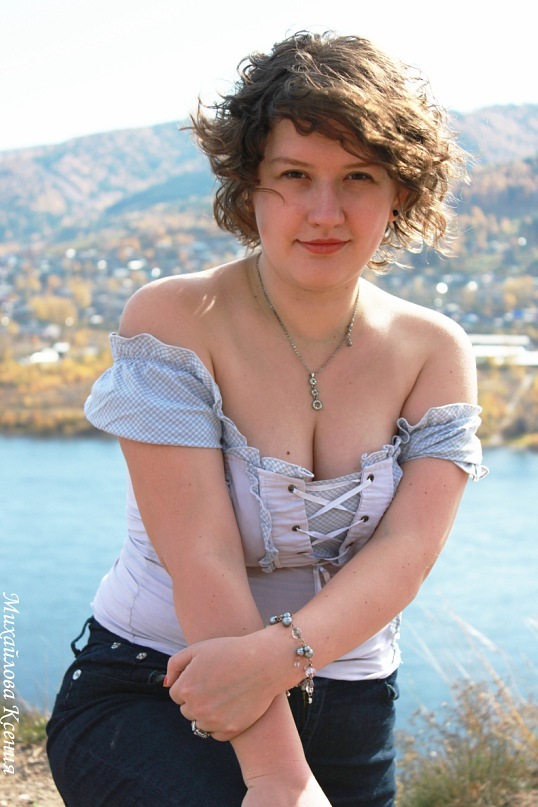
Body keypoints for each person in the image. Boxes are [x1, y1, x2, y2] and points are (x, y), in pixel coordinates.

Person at [46, 31, 487, 807]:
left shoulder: (433, 350)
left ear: (401, 190)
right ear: (249, 184)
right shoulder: (175, 319)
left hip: (351, 709)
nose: (325, 211)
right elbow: (203, 557)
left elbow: (408, 550)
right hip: (157, 687)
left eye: (358, 177)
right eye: (294, 176)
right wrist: (280, 777)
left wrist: (281, 660)